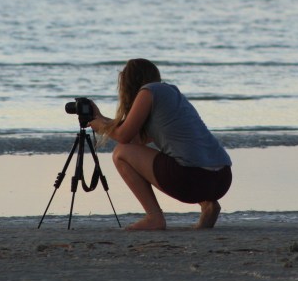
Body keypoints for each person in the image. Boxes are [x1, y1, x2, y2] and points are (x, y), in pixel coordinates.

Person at [88, 58, 232, 231]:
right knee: (150, 150)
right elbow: (137, 140)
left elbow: (124, 137)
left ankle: (154, 217)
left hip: (193, 179)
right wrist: (100, 118)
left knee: (121, 153)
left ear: (129, 82)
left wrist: (101, 126)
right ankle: (208, 204)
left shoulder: (147, 92)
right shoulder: (169, 93)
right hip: (222, 178)